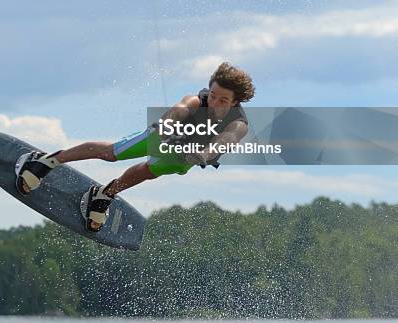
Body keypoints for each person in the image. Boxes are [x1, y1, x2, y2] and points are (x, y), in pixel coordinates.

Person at [15, 62, 255, 231]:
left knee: (146, 173)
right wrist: (165, 125)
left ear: (235, 102)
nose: (214, 102)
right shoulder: (197, 100)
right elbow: (182, 107)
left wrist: (202, 154)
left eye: (223, 100)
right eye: (213, 95)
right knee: (111, 153)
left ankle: (103, 195)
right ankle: (48, 160)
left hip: (189, 157)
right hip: (166, 137)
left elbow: (225, 140)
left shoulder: (238, 123)